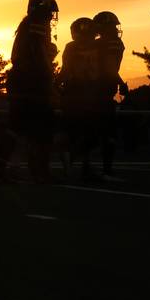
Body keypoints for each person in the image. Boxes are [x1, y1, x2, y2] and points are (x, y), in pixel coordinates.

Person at [0, 0, 59, 184]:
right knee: (42, 128)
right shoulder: (36, 25)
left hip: (22, 80)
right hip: (31, 81)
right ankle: (39, 170)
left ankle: (3, 168)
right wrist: (49, 77)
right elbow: (38, 54)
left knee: (20, 126)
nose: (50, 17)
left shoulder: (27, 24)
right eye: (48, 12)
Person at [55, 17, 99, 180]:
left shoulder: (72, 47)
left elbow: (65, 70)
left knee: (71, 131)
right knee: (88, 132)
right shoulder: (98, 47)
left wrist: (54, 85)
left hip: (74, 92)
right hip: (91, 93)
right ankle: (81, 163)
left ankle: (70, 160)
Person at [92, 11, 128, 181]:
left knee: (90, 131)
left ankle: (79, 163)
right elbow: (109, 68)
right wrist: (121, 82)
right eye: (111, 25)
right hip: (101, 90)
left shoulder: (93, 44)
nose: (114, 29)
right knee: (108, 132)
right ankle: (106, 170)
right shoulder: (113, 42)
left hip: (88, 90)